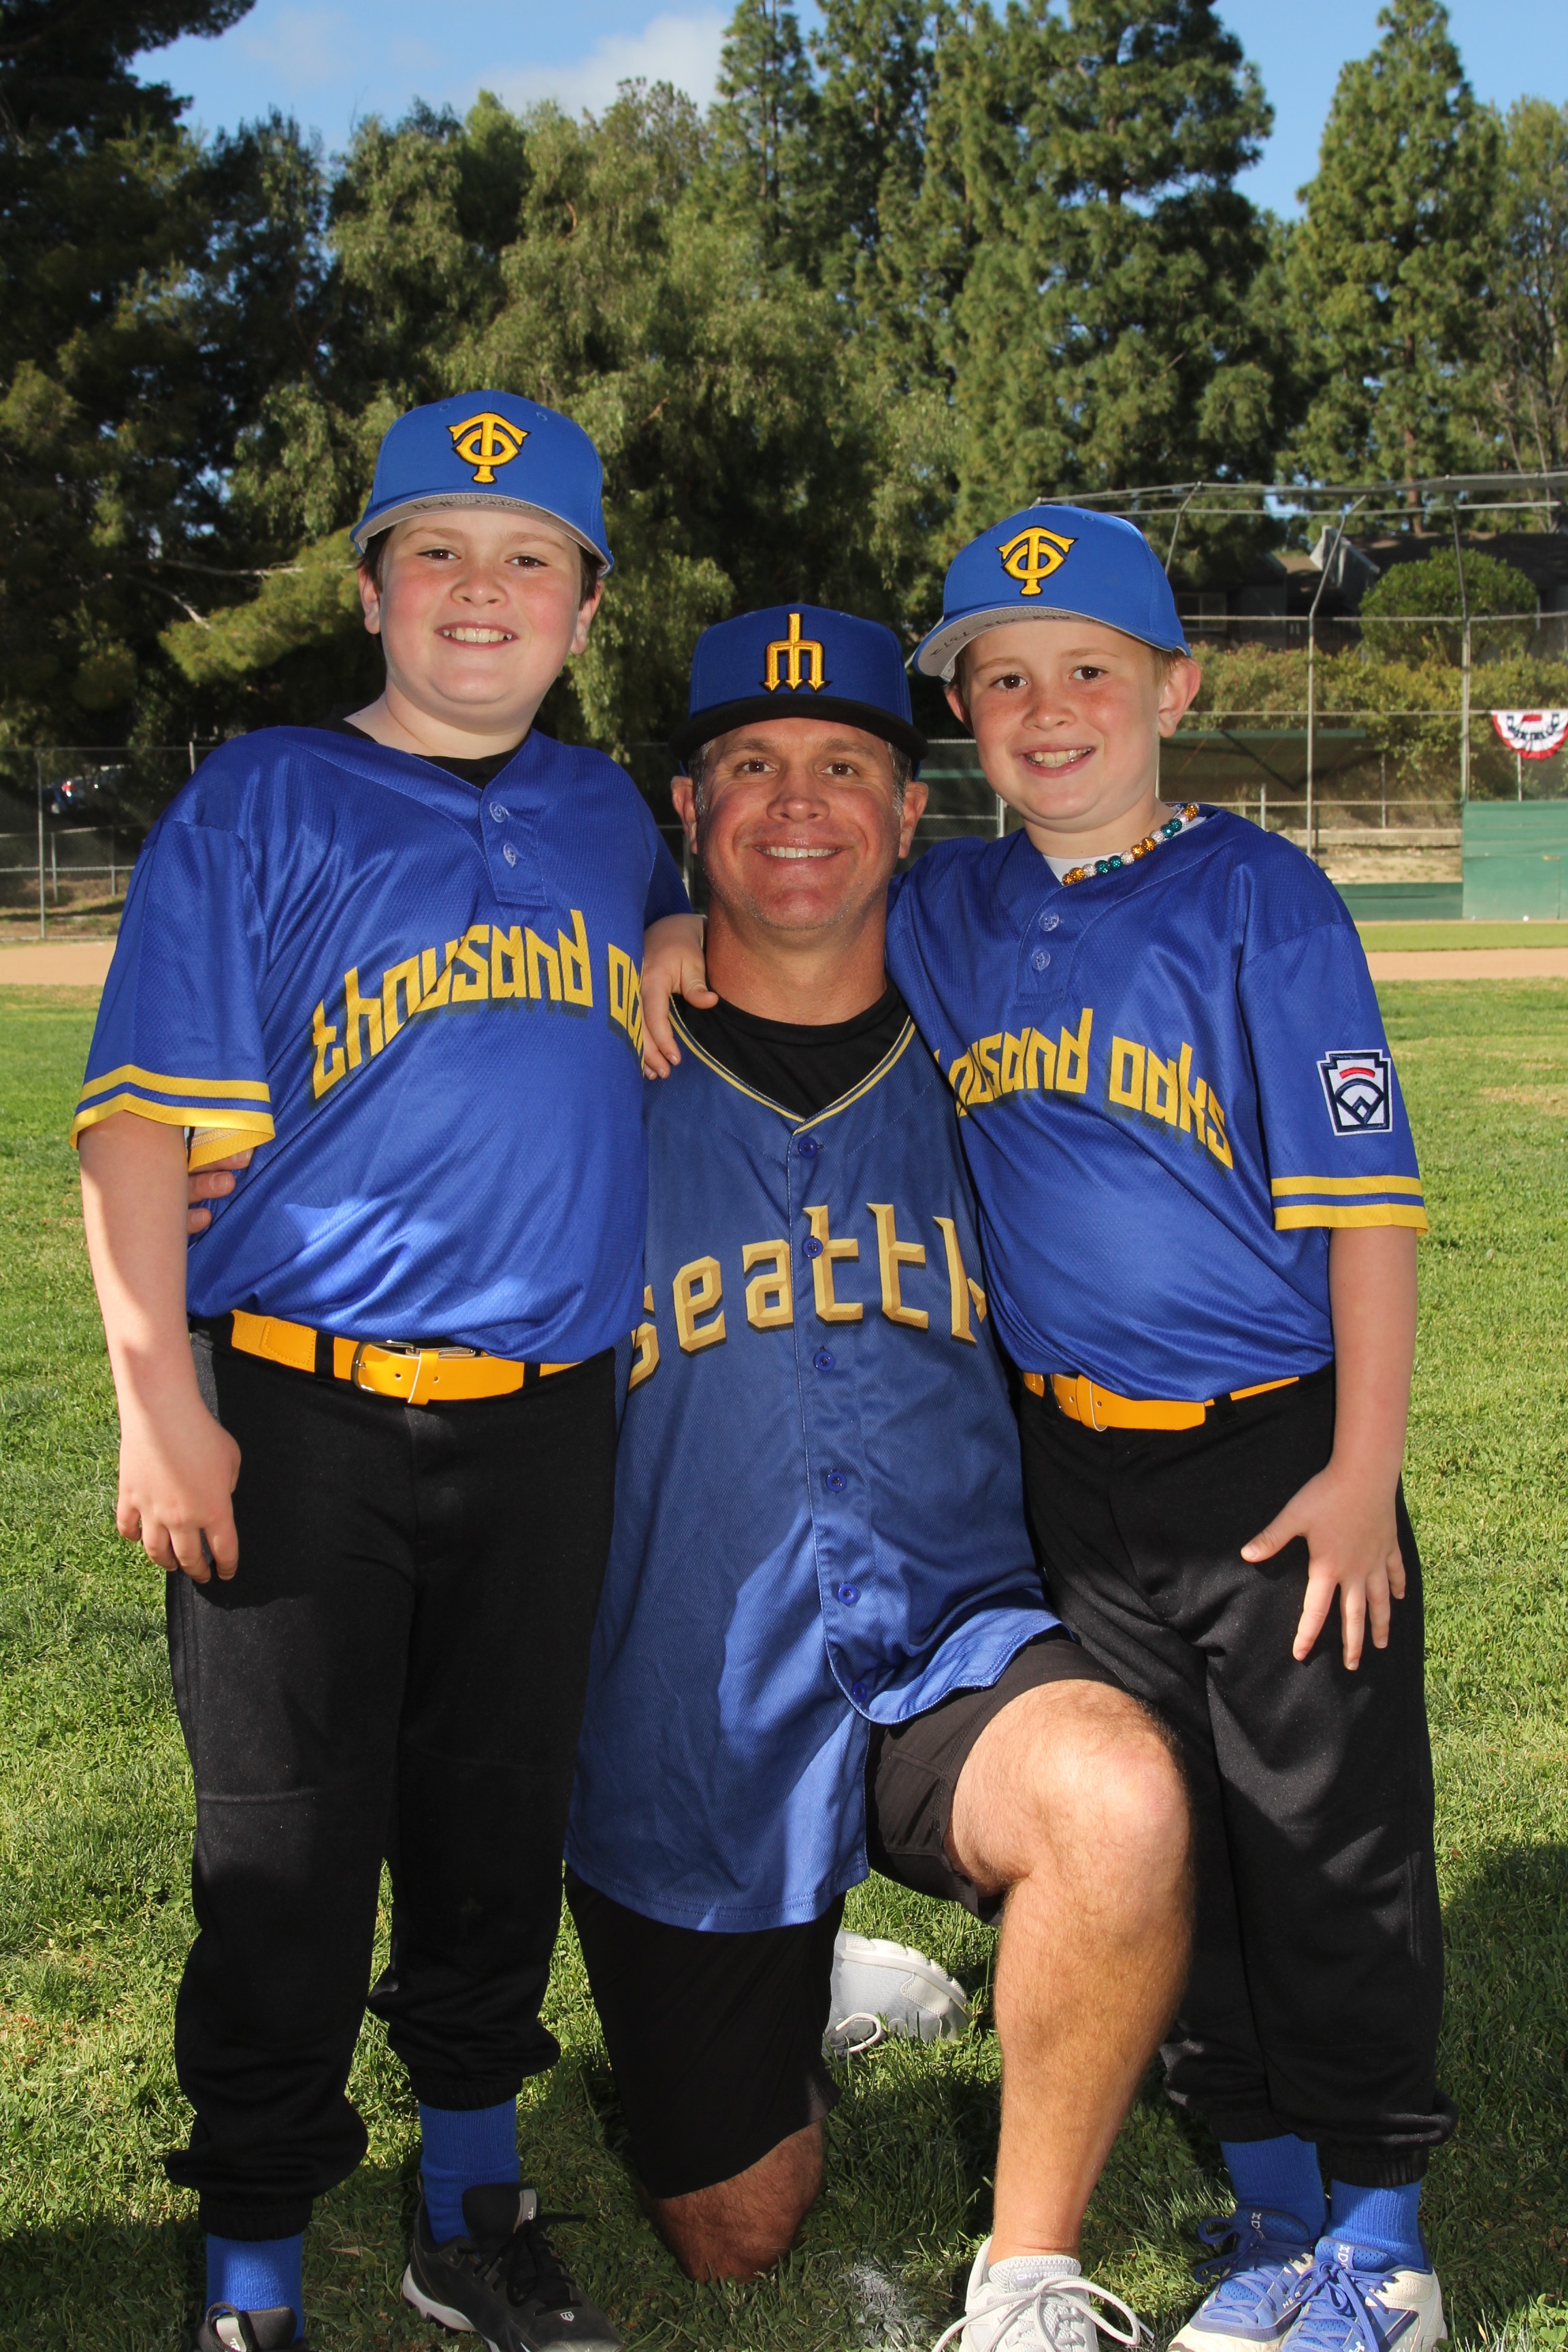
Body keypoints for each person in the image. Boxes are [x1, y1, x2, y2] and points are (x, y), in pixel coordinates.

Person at [644, 518, 1454, 2352]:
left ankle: (1384, 2239)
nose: (1050, 705)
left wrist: (1359, 1470)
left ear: (1177, 686)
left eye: (1093, 667)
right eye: (1003, 676)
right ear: (964, 720)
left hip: (1275, 1452)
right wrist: (670, 928)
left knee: (1326, 1847)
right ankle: (1271, 2200)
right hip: (1075, 1475)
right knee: (1189, 1840)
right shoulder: (952, 907)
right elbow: (791, 912)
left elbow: (1371, 1207)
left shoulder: (1262, 898)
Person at [74, 390, 687, 2352]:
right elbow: (135, 1131)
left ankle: (467, 2204)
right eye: (437, 550)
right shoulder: (263, 797)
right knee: (284, 1845)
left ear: (588, 608)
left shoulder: (607, 815)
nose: (480, 590)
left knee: (498, 1825)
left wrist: (675, 931)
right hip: (299, 1408)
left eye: (529, 559)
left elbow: (681, 946)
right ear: (368, 591)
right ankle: (255, 2258)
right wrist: (159, 1400)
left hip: (546, 1418)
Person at [567, 606, 1192, 2352]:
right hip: (686, 1697)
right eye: (751, 766)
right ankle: (808, 1971)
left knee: (1117, 1800)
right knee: (737, 2235)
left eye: (846, 765)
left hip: (948, 1639)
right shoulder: (598, 1053)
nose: (799, 804)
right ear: (688, 806)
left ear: (912, 812)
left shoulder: (989, 1045)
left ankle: (1027, 2277)